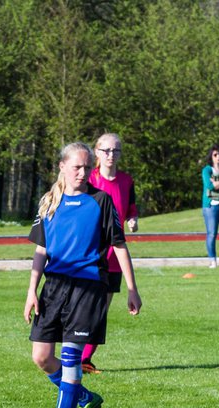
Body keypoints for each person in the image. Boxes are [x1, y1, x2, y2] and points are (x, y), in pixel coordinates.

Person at [25, 141, 142, 408]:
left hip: (89, 287)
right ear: (62, 166)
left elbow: (119, 245)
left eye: (87, 167)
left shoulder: (101, 201)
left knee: (71, 357)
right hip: (54, 288)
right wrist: (32, 290)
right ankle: (86, 399)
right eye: (77, 166)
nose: (83, 172)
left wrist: (132, 288)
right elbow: (42, 250)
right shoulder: (49, 201)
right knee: (41, 357)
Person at [83, 133, 138, 373]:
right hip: (89, 253)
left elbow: (131, 206)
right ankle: (75, 355)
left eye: (115, 151)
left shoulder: (126, 180)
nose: (111, 155)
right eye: (106, 150)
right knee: (84, 306)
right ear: (97, 152)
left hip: (115, 256)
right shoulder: (88, 179)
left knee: (100, 310)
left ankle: (85, 359)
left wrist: (133, 218)